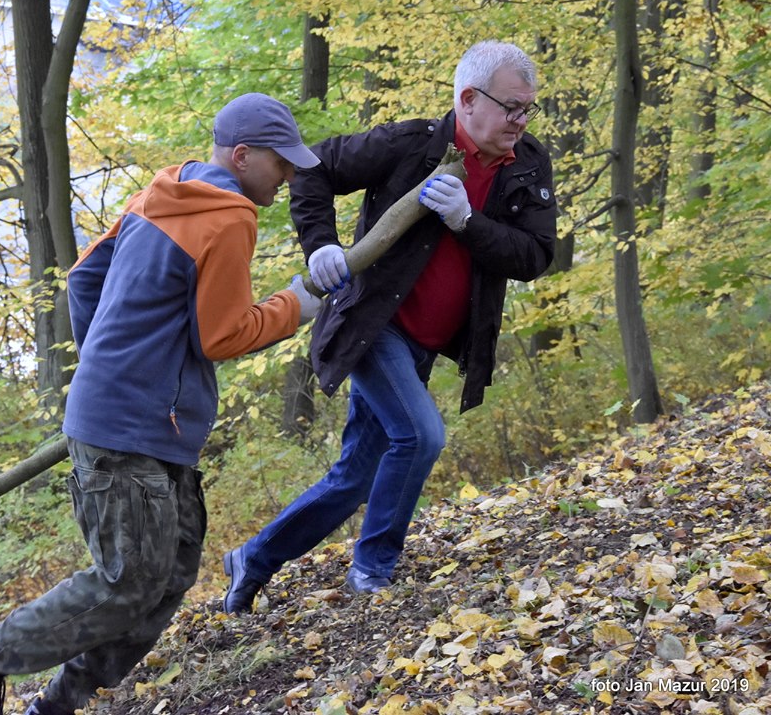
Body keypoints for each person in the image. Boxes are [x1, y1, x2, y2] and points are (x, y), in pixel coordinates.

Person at [0, 92, 324, 715]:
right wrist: (296, 305)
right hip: (130, 427)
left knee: (168, 575)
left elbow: (84, 276)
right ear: (242, 156)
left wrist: (111, 360)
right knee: (128, 581)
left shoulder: (160, 194)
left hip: (144, 424)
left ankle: (55, 706)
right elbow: (222, 336)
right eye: (280, 163)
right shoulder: (230, 216)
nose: (287, 176)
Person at [223, 41, 557, 613]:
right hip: (374, 327)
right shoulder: (410, 143)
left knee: (355, 475)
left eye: (528, 109)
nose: (520, 121)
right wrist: (321, 246)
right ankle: (372, 569)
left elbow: (534, 256)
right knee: (421, 436)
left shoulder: (527, 162)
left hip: (429, 343)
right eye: (511, 108)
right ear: (468, 99)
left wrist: (468, 222)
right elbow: (313, 171)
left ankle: (252, 559)